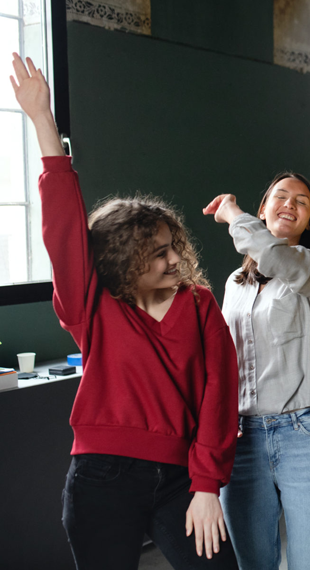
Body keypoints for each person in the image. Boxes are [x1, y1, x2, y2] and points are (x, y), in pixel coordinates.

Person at [9, 53, 239, 569]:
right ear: (124, 259)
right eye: (158, 252)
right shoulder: (92, 306)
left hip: (183, 478)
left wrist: (207, 485)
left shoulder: (199, 304)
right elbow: (64, 230)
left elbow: (219, 394)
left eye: (174, 245)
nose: (176, 258)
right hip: (100, 479)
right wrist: (45, 124)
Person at [202, 174, 310, 570]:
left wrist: (233, 214)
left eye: (301, 202)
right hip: (244, 438)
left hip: (308, 434)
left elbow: (279, 259)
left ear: (308, 220)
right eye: (280, 197)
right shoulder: (236, 282)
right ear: (264, 208)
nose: (290, 204)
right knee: (253, 563)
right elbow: (223, 358)